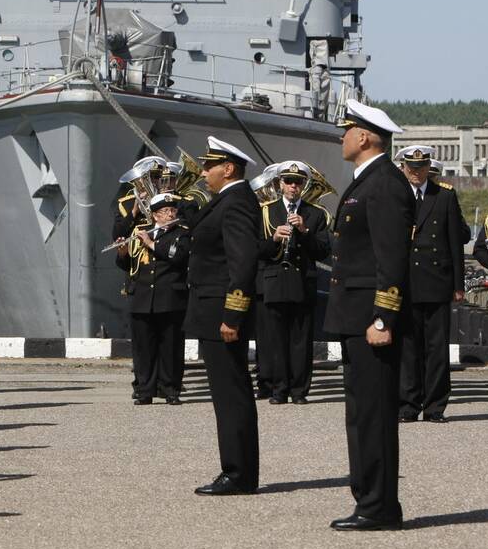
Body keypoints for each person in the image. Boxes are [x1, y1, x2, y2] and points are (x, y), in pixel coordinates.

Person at [325, 98, 413, 532]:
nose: (341, 138)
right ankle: (368, 498)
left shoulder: (384, 184)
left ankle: (379, 507)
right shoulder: (367, 181)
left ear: (364, 136)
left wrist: (384, 318)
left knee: (374, 415)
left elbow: (391, 260)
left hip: (370, 320)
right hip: (354, 316)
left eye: (346, 131)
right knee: (360, 413)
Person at [186, 136, 260, 496]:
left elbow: (242, 262)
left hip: (222, 313)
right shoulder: (227, 201)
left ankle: (238, 473)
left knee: (231, 394)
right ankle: (237, 469)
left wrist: (233, 314)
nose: (202, 173)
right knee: (227, 393)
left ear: (227, 168)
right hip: (212, 309)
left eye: (208, 166)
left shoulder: (235, 204)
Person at [394, 145, 467, 424]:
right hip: (406, 281)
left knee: (437, 348)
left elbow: (454, 243)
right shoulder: (398, 196)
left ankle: (435, 406)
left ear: (428, 168)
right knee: (409, 347)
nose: (416, 173)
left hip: (437, 281)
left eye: (421, 168)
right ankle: (408, 405)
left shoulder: (444, 196)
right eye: (411, 168)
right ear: (404, 168)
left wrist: (457, 284)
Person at [256, 161, 331, 405]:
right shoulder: (266, 211)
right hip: (275, 281)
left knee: (301, 340)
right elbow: (256, 249)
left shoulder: (316, 214)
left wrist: (305, 230)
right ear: (280, 184)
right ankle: (279, 390)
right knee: (275, 340)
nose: (293, 186)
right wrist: (275, 238)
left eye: (298, 182)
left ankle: (299, 391)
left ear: (303, 185)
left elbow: (322, 252)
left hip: (302, 282)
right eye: (288, 181)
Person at [116, 193, 190, 405]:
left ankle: (170, 390)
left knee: (171, 347)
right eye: (166, 211)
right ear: (155, 215)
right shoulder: (140, 233)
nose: (171, 214)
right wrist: (122, 253)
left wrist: (150, 243)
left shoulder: (181, 233)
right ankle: (144, 389)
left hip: (170, 299)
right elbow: (130, 267)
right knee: (143, 348)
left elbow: (177, 256)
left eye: (173, 210)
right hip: (142, 299)